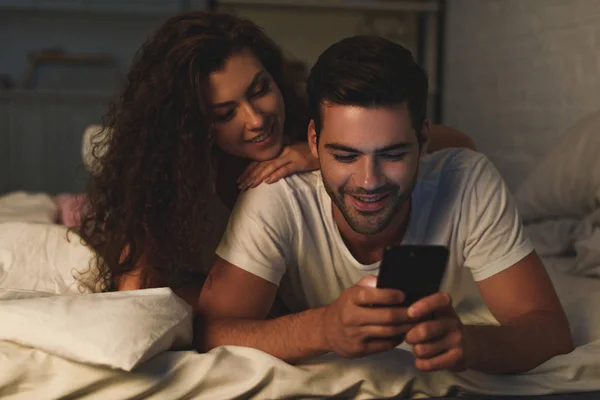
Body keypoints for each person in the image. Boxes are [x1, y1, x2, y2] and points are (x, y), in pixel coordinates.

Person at [195, 35, 573, 374]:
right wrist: (323, 328)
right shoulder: (275, 196)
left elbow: (549, 330)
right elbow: (211, 330)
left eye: (392, 154)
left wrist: (474, 344)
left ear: (425, 139)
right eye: (345, 156)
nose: (369, 182)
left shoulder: (468, 180)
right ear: (313, 141)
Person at [79, 11, 476, 293]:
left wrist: (320, 152)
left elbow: (459, 145)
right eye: (225, 113)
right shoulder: (167, 182)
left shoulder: (313, 129)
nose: (256, 119)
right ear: (192, 124)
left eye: (260, 90)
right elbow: (135, 295)